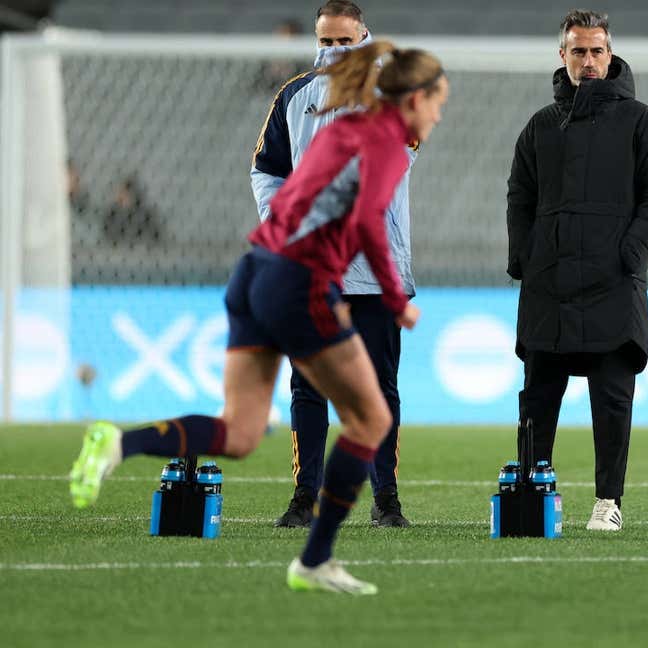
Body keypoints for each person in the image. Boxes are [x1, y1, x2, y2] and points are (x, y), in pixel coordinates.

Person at [69, 43, 448, 595]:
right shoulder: (385, 139)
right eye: (437, 103)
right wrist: (393, 296)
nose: (438, 115)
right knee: (370, 418)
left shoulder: (335, 129)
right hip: (298, 281)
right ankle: (315, 559)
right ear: (414, 98)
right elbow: (367, 223)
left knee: (240, 431)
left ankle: (116, 444)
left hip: (254, 272)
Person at [506, 9, 648, 532]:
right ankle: (534, 496)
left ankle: (609, 501)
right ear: (562, 55)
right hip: (549, 287)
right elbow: (520, 196)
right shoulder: (540, 125)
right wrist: (525, 258)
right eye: (578, 51)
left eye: (597, 51)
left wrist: (630, 252)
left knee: (611, 401)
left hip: (611, 283)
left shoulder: (644, 122)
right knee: (538, 400)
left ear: (611, 55)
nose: (588, 61)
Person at [252, 0, 419, 528]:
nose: (334, 50)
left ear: (365, 36)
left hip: (373, 270)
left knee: (379, 387)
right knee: (308, 386)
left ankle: (385, 500)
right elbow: (266, 170)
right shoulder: (294, 96)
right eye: (326, 41)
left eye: (345, 41)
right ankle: (306, 497)